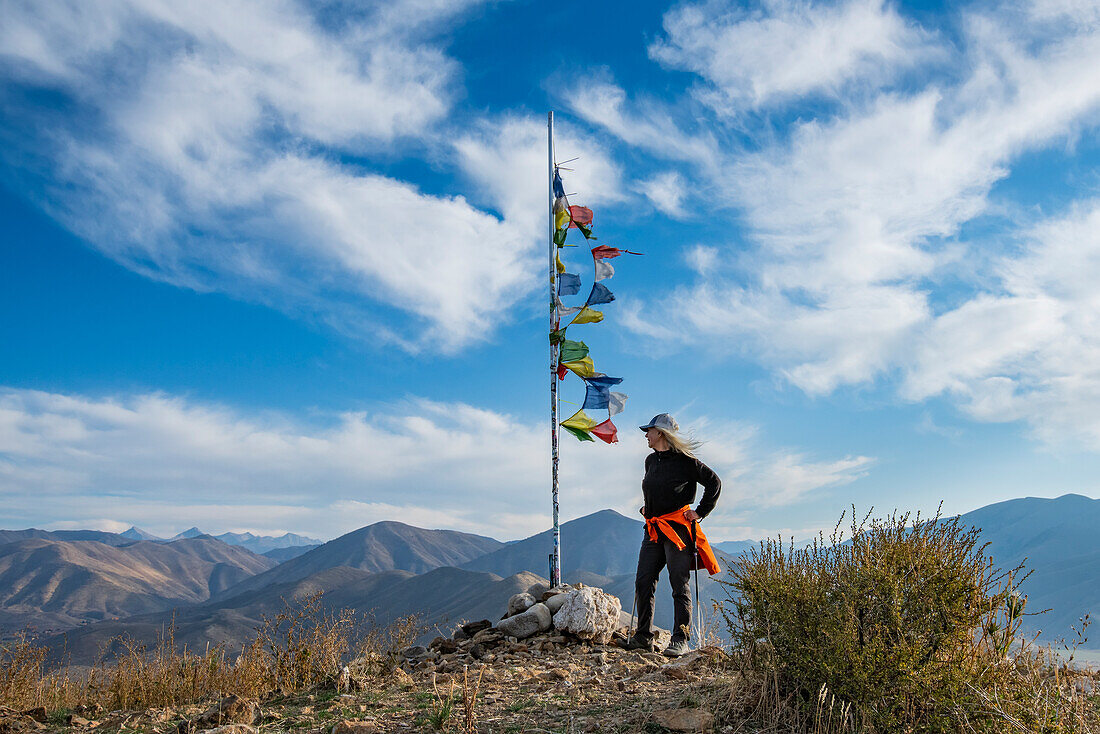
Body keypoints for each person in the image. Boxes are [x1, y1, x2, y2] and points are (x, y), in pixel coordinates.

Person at [624, 413, 721, 657]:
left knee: (679, 583)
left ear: (661, 434)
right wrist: (647, 507)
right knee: (643, 580)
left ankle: (681, 638)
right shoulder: (650, 461)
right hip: (654, 529)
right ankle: (643, 637)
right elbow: (655, 489)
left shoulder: (686, 461)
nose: (646, 435)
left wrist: (700, 512)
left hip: (678, 529)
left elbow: (714, 483)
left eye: (649, 431)